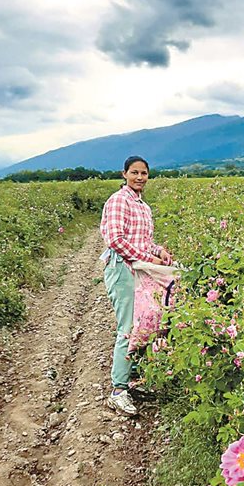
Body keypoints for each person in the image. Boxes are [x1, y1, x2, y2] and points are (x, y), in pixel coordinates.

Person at [100, 156, 172, 416]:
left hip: (139, 270)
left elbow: (143, 241)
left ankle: (131, 381)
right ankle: (118, 391)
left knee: (144, 324)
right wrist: (147, 258)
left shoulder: (143, 206)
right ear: (124, 174)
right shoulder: (119, 201)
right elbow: (116, 240)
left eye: (144, 173)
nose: (139, 177)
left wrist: (159, 251)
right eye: (134, 172)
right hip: (122, 268)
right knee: (128, 328)